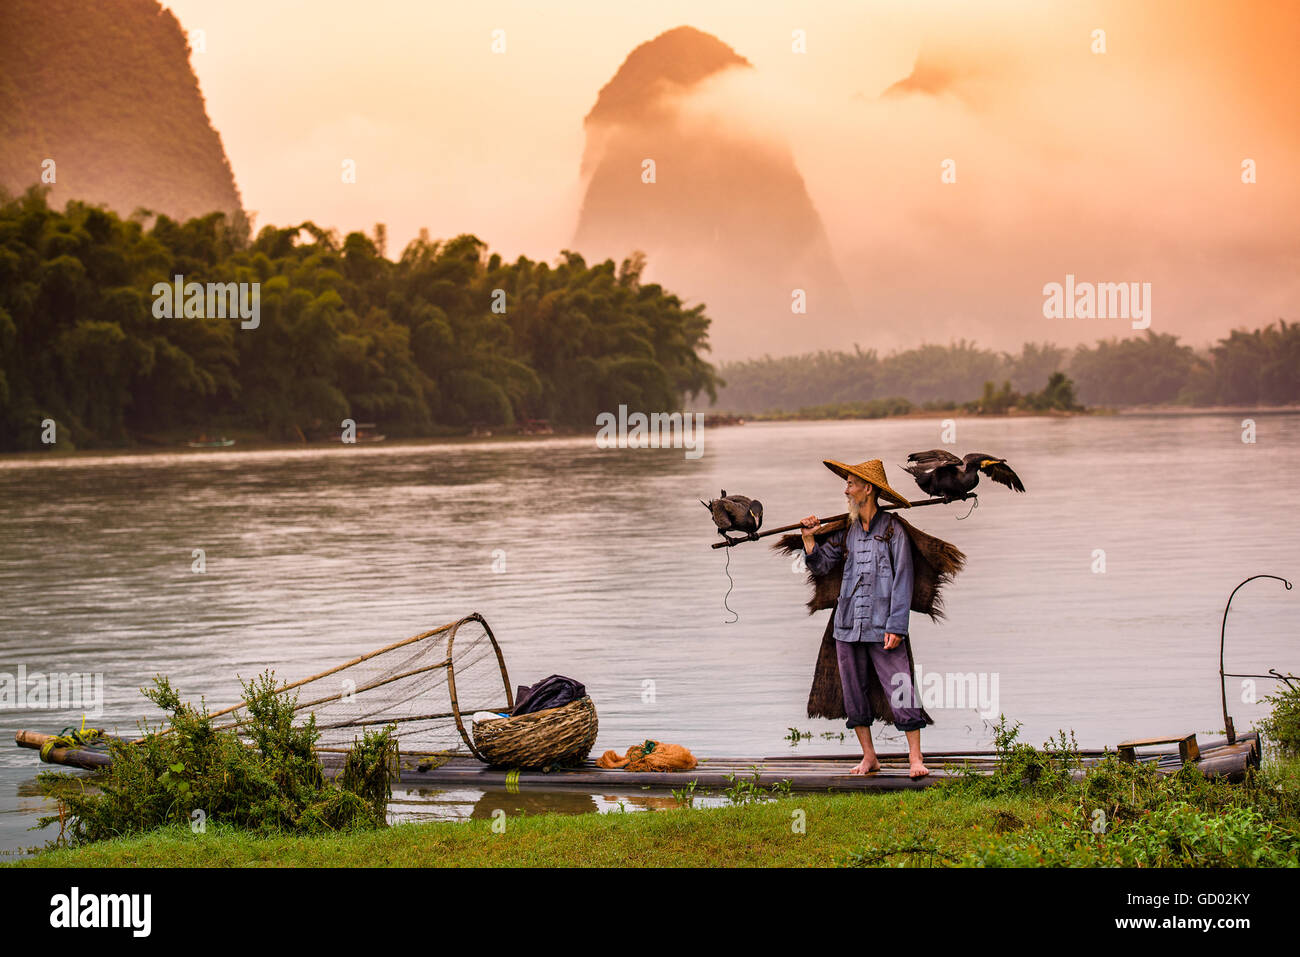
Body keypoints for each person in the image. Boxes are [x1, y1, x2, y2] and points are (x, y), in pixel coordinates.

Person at [800, 458, 930, 778]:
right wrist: (808, 538)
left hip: (884, 626)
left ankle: (916, 759)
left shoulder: (893, 530)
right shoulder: (849, 530)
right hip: (847, 626)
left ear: (867, 489)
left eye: (850, 484)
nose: (846, 489)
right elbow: (821, 565)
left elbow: (904, 578)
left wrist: (897, 626)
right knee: (853, 693)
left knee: (900, 688)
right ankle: (869, 756)